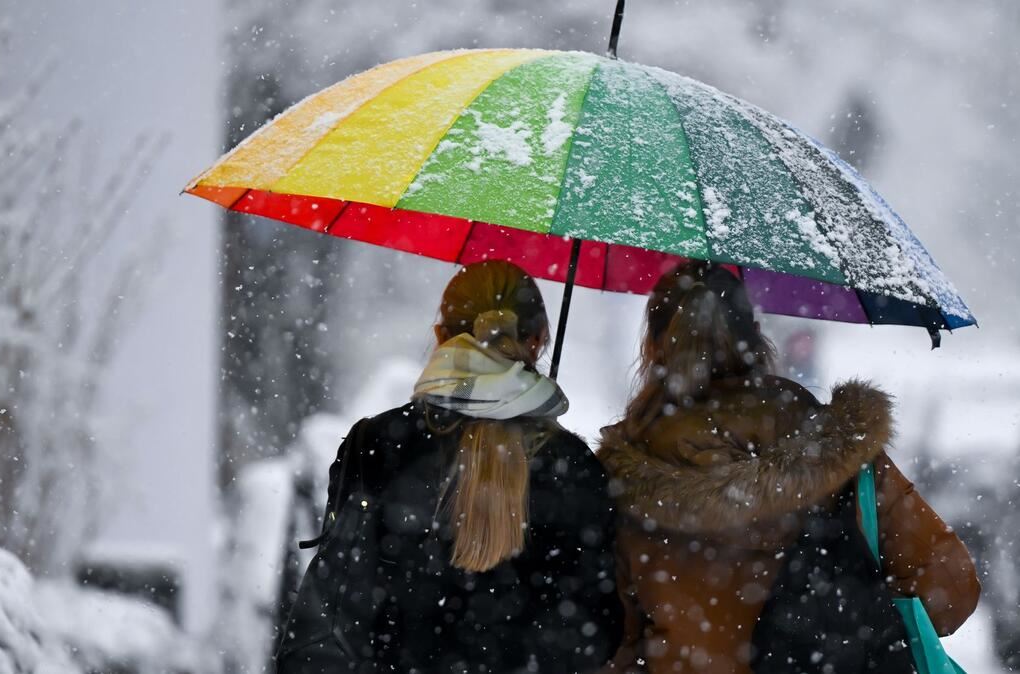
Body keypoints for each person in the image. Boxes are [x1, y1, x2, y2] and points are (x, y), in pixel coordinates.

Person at [597, 261, 980, 674]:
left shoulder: (621, 468)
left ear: (654, 347)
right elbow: (951, 589)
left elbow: (609, 633)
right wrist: (857, 617)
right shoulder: (835, 447)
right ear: (756, 338)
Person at [316, 260, 623, 673]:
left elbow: (339, 601)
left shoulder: (375, 446)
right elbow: (595, 633)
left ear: (440, 336)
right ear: (537, 342)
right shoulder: (572, 469)